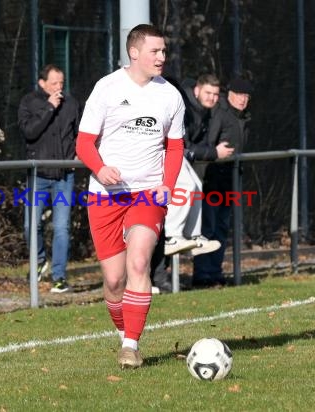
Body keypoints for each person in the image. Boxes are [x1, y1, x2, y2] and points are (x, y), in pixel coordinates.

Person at [76, 24, 185, 368]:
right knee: (113, 280)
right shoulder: (106, 88)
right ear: (134, 52)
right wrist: (100, 168)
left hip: (148, 194)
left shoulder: (171, 95)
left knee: (139, 262)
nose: (162, 57)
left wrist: (167, 184)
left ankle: (131, 345)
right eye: (155, 51)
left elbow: (176, 145)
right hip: (106, 196)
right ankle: (127, 334)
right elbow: (83, 143)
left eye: (164, 51)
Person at [150, 74, 234, 293]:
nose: (213, 98)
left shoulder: (201, 111)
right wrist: (212, 152)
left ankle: (193, 236)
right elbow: (186, 143)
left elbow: (193, 143)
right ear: (196, 91)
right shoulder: (184, 104)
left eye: (216, 94)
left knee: (195, 184)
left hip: (177, 152)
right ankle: (173, 236)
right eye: (208, 93)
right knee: (186, 185)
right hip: (164, 152)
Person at [18, 64, 81, 293]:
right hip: (38, 176)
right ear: (42, 83)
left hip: (64, 177)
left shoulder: (72, 104)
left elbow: (79, 134)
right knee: (30, 225)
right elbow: (29, 132)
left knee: (62, 227)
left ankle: (59, 277)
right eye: (54, 83)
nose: (58, 88)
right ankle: (39, 260)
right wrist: (48, 108)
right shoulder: (29, 103)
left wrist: (77, 153)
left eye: (61, 83)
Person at [192, 76, 253, 288]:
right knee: (207, 228)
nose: (243, 99)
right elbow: (209, 144)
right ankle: (202, 275)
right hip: (211, 178)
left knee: (221, 229)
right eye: (239, 95)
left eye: (246, 96)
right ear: (230, 94)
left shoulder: (243, 118)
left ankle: (215, 272)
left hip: (230, 180)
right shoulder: (220, 112)